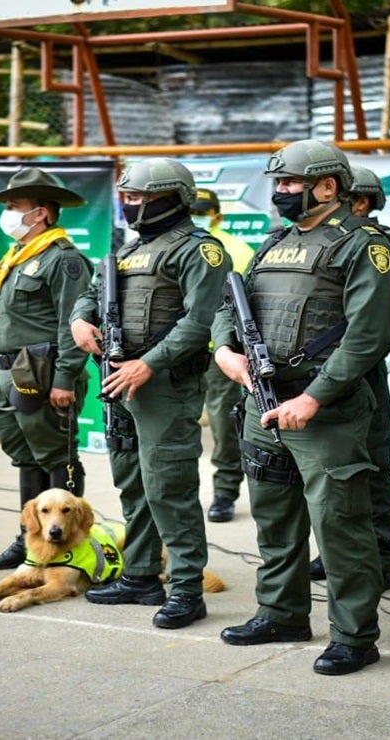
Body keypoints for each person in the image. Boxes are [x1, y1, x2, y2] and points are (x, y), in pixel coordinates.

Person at [212, 139, 390, 675]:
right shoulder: (274, 244)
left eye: (290, 183)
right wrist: (225, 351)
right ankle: (281, 613)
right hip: (263, 402)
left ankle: (355, 636)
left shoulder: (363, 246)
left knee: (340, 526)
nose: (281, 192)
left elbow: (366, 336)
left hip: (325, 409)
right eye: (278, 183)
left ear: (328, 186)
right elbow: (231, 304)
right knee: (274, 519)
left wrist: (314, 398)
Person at [69, 157, 230, 629]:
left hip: (164, 386)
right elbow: (92, 294)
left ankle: (186, 589)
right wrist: (80, 319)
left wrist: (149, 364)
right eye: (127, 196)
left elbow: (200, 321)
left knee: (169, 488)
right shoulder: (128, 249)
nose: (130, 204)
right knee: (133, 484)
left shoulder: (199, 250)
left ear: (171, 198)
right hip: (119, 380)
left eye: (139, 196)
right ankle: (140, 575)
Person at [0, 168, 94, 570]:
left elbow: (73, 324)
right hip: (9, 373)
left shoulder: (64, 260)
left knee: (56, 456)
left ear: (40, 213)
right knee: (25, 456)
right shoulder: (16, 258)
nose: (6, 213)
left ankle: (70, 546)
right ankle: (31, 540)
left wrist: (64, 379)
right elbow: (0, 320)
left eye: (14, 206)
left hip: (43, 372)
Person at [304, 162, 390, 592]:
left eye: (347, 199)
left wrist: (350, 362)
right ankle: (333, 552)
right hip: (316, 375)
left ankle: (380, 557)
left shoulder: (388, 245)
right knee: (329, 471)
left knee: (371, 464)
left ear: (364, 202)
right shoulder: (313, 241)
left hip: (363, 372)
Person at [189, 188, 255, 523]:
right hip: (176, 351)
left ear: (218, 216)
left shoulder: (238, 250)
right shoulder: (175, 245)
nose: (197, 217)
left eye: (203, 212)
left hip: (219, 352)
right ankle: (181, 494)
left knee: (223, 425)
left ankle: (225, 492)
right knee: (176, 428)